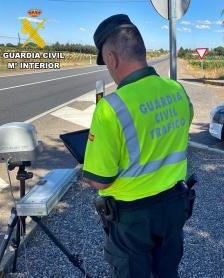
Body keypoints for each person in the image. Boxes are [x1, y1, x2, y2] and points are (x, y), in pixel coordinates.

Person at [83, 14, 194, 278]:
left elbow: (100, 181)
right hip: (174, 207)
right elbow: (176, 130)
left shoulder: (110, 108)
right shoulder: (177, 90)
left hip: (133, 219)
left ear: (112, 58)